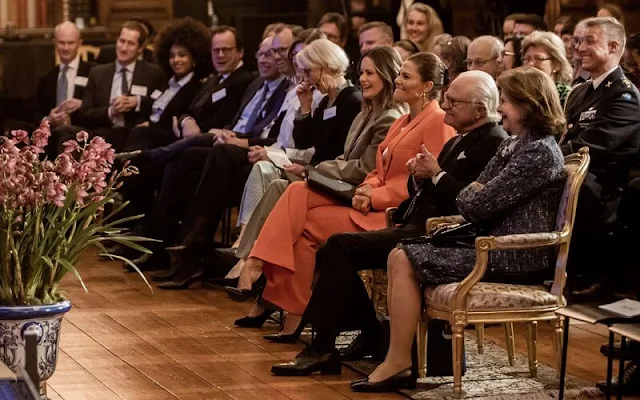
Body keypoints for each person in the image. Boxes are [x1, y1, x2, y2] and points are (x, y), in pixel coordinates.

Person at [269, 70, 508, 376]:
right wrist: (418, 177)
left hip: (438, 234)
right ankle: (365, 333)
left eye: (453, 101)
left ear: (479, 109)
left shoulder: (491, 142)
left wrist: (435, 174)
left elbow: (469, 203)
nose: (445, 105)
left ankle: (326, 347)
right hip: (412, 224)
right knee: (333, 248)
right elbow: (429, 190)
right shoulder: (460, 138)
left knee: (339, 246)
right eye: (446, 98)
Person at [351, 66, 566, 393]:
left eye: (505, 102)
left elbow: (477, 202)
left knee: (403, 257)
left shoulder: (539, 151)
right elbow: (475, 196)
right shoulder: (515, 145)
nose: (499, 110)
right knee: (400, 254)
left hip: (513, 254)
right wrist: (473, 194)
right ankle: (400, 358)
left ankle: (398, 360)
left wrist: (468, 192)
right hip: (489, 244)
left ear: (528, 106)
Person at [234, 52, 455, 342]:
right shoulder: (402, 122)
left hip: (389, 215)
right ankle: (286, 301)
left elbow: (423, 183)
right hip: (369, 202)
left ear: (427, 86)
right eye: (399, 74)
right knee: (298, 194)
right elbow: (378, 167)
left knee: (303, 224)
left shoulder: (437, 121)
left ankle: (260, 267)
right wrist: (369, 187)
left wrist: (374, 195)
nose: (397, 80)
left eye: (405, 76)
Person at [223, 46, 407, 286]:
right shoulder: (365, 112)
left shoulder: (380, 114)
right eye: (361, 72)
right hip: (336, 177)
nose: (362, 79)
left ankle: (252, 261)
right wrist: (306, 109)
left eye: (370, 73)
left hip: (355, 191)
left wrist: (311, 170)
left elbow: (363, 168)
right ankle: (251, 262)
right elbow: (324, 148)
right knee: (278, 183)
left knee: (286, 188)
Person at [561, 17, 640, 299]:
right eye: (578, 41)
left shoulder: (624, 96)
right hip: (574, 173)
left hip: (604, 185)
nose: (579, 47)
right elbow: (565, 138)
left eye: (589, 41)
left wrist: (546, 159)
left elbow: (591, 149)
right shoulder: (581, 92)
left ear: (613, 46)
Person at [74, 21, 167, 152]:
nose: (124, 48)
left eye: (130, 43)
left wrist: (138, 101)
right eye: (121, 41)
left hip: (135, 135)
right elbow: (85, 114)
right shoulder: (97, 73)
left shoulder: (153, 73)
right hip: (103, 134)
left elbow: (162, 106)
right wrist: (111, 111)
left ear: (140, 48)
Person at [122, 17, 212, 152]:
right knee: (119, 132)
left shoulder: (197, 87)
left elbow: (178, 116)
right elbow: (151, 106)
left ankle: (128, 171)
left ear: (194, 58)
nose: (176, 60)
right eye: (171, 55)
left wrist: (151, 125)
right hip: (149, 133)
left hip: (169, 138)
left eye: (182, 55)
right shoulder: (166, 82)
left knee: (140, 133)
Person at [17, 21, 95, 159]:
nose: (65, 48)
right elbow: (36, 111)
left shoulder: (93, 72)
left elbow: (102, 105)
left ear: (79, 43)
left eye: (70, 43)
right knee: (19, 130)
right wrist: (49, 119)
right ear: (55, 42)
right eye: (61, 43)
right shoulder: (47, 77)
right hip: (52, 133)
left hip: (82, 132)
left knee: (63, 133)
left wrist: (83, 103)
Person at [522, 31, 573, 106]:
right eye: (527, 59)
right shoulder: (520, 94)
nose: (530, 64)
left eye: (539, 58)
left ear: (556, 64)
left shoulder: (567, 96)